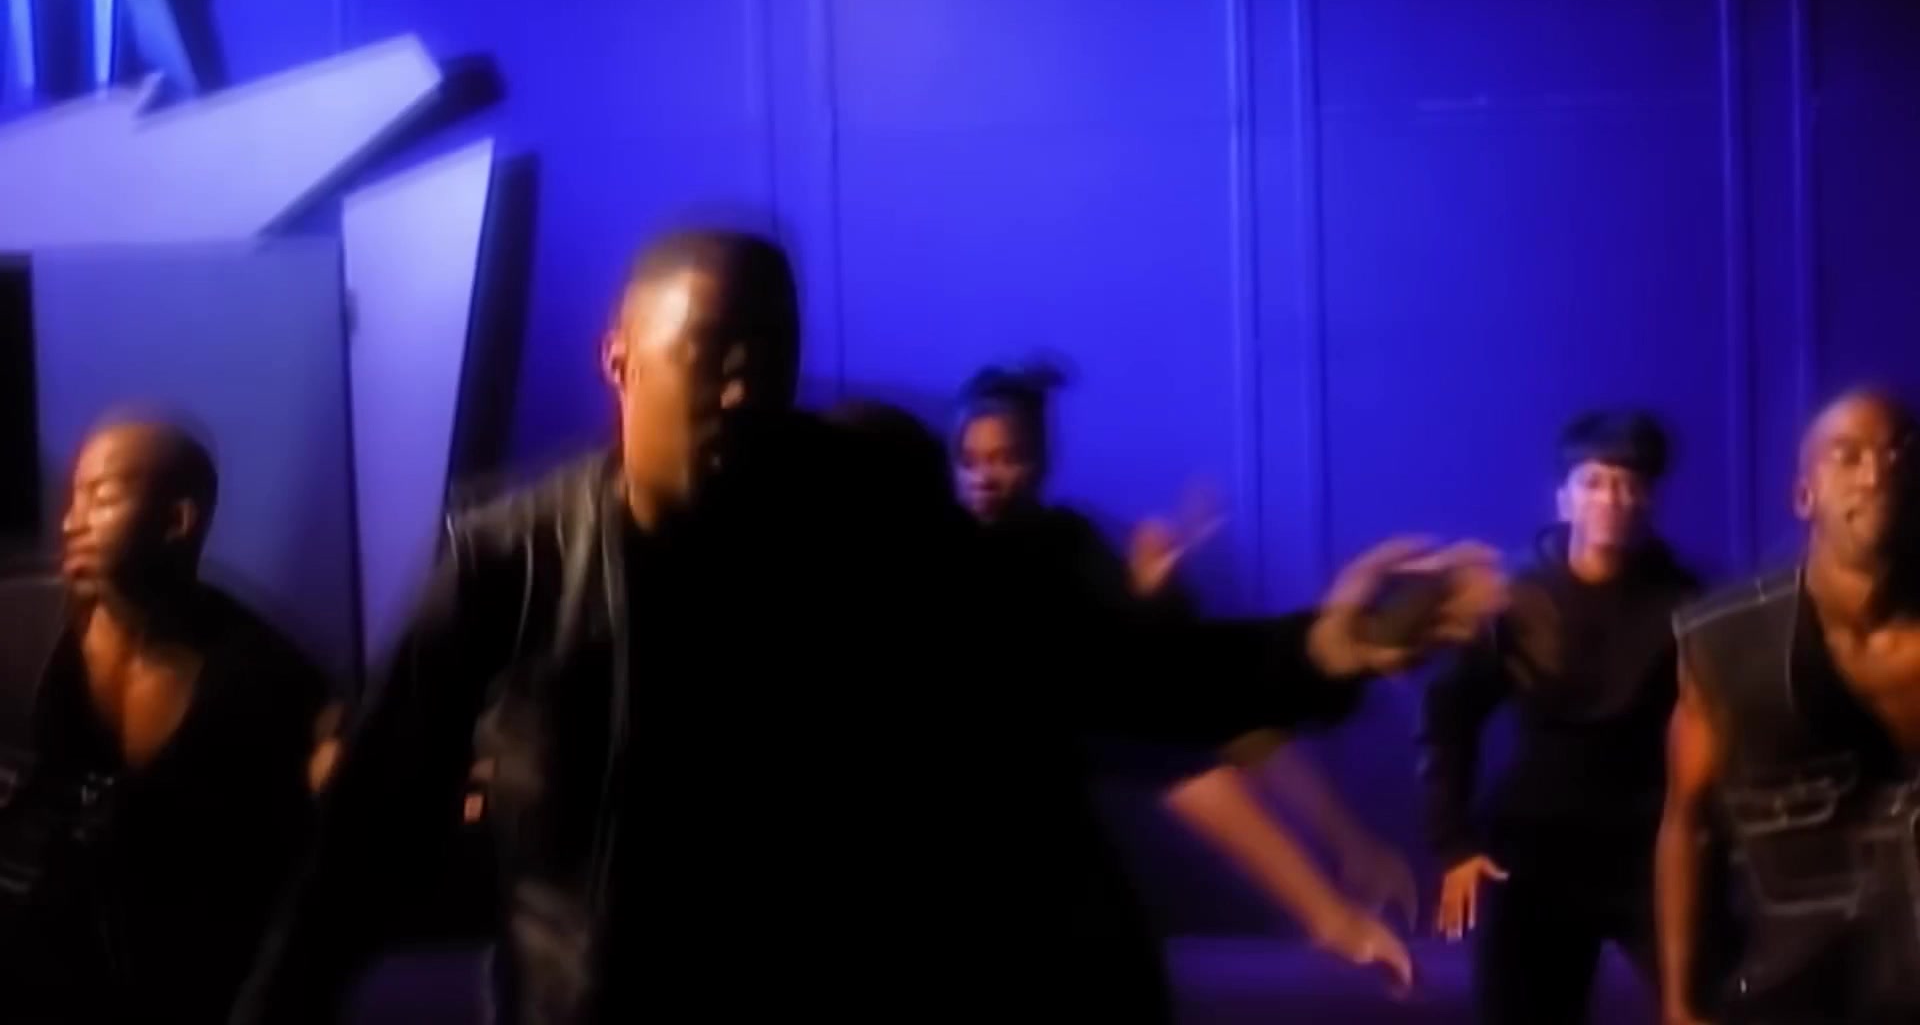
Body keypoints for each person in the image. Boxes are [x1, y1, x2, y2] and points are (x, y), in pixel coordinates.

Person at [234, 229, 1503, 1025]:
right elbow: (367, 837)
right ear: (620, 359)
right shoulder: (510, 561)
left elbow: (1095, 668)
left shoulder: (867, 524)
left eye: (771, 356)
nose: (744, 386)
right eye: (712, 353)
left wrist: (1323, 650)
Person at [948, 364, 1419, 988]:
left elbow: (1149, 650)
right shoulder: (948, 548)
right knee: (1181, 759)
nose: (984, 476)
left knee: (1230, 723)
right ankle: (1330, 914)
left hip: (1086, 720)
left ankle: (1349, 854)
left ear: (1037, 463)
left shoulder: (1065, 538)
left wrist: (1154, 588)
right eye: (970, 461)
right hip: (1023, 746)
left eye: (1005, 459)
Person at [0, 417, 335, 1022]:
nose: (71, 522)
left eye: (101, 497)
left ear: (177, 521)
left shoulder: (266, 680)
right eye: (73, 497)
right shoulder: (23, 631)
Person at [1418, 410, 1701, 1023]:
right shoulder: (1511, 597)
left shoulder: (1687, 602)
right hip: (1534, 847)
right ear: (1564, 498)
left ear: (1649, 500)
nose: (1612, 500)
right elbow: (1448, 715)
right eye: (1594, 482)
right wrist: (1454, 842)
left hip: (1647, 846)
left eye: (1629, 485)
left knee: (1708, 1002)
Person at [1657, 389, 1920, 1025]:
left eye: (1898, 456)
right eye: (1848, 456)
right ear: (1805, 495)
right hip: (1795, 982)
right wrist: (1679, 1002)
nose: (1876, 475)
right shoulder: (1727, 642)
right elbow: (1688, 823)